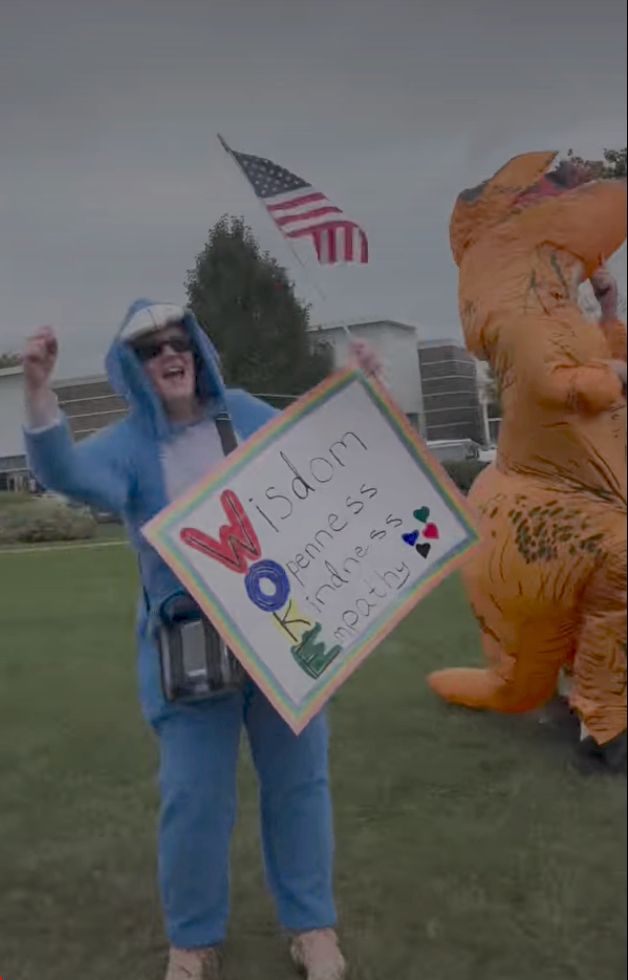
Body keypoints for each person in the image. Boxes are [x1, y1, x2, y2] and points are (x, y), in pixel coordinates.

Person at [22, 300, 382, 980]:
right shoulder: (130, 445)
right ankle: (192, 941)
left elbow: (318, 460)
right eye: (151, 347)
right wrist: (39, 390)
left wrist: (358, 393)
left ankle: (312, 928)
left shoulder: (244, 413)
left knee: (300, 785)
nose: (168, 353)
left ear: (198, 349)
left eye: (178, 339)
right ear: (135, 368)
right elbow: (67, 473)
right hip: (188, 653)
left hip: (281, 636)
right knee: (193, 800)